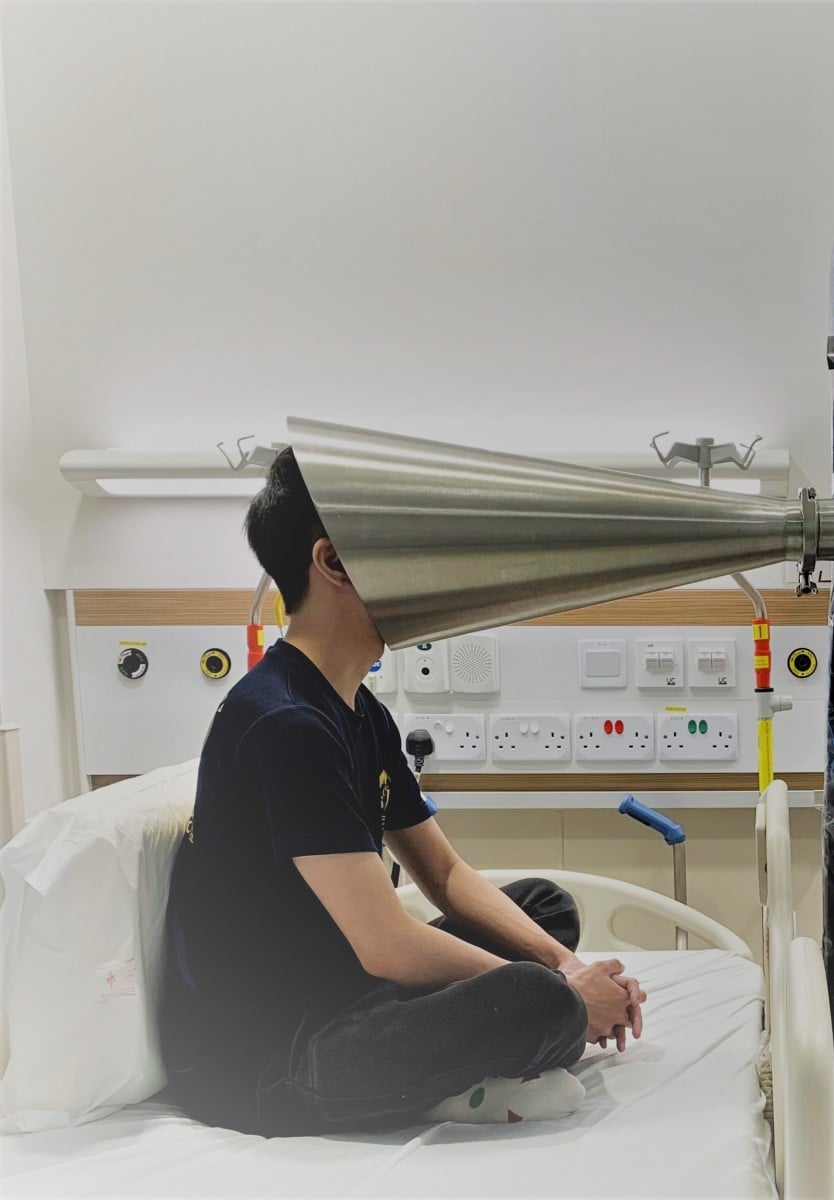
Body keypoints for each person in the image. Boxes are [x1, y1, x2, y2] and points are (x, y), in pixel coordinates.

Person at [157, 447, 645, 1136]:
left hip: (348, 988)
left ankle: (487, 1046)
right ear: (332, 562)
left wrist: (570, 965)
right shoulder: (285, 723)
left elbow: (442, 875)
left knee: (545, 907)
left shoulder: (359, 711)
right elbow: (387, 945)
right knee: (536, 1000)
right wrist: (567, 995)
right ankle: (455, 1084)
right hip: (271, 1058)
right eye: (408, 550)